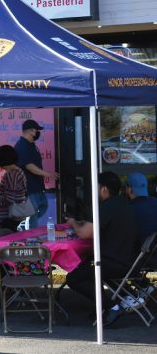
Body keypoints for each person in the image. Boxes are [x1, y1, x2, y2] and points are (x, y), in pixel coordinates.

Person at [65, 171, 141, 327]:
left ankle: (111, 306)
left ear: (104, 189)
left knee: (74, 277)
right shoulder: (122, 204)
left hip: (114, 262)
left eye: (97, 186)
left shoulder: (107, 207)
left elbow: (84, 233)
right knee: (89, 267)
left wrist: (72, 223)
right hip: (127, 259)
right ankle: (101, 307)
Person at [14, 119, 58, 229]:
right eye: (36, 130)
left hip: (36, 186)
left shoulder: (31, 145)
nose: (37, 133)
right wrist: (48, 174)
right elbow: (29, 166)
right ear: (30, 131)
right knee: (32, 215)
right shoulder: (22, 146)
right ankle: (30, 238)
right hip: (28, 187)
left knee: (44, 206)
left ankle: (22, 225)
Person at [0, 145, 29, 231]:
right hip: (16, 216)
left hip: (9, 218)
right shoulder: (19, 171)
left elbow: (9, 200)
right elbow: (13, 193)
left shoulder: (11, 175)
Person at [125, 172, 157, 243]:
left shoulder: (127, 209)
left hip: (139, 253)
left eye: (126, 186)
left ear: (130, 189)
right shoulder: (155, 202)